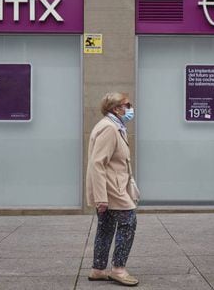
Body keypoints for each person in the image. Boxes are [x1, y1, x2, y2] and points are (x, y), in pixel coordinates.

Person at [86, 92, 139, 287]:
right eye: (127, 105)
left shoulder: (115, 126)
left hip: (112, 187)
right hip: (112, 189)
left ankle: (98, 270)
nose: (130, 108)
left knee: (106, 228)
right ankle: (119, 269)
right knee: (129, 223)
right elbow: (98, 164)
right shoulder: (109, 128)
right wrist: (101, 198)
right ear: (116, 109)